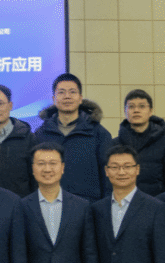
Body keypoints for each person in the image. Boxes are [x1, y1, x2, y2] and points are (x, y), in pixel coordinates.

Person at [33, 72, 111, 202]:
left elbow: (108, 175)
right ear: (54, 99)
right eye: (61, 92)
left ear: (80, 98)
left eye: (72, 92)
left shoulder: (99, 133)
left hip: (88, 206)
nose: (67, 96)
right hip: (50, 203)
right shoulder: (41, 134)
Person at [116, 89, 165, 196]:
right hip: (123, 203)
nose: (136, 110)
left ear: (150, 111)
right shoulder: (115, 145)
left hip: (158, 203)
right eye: (131, 107)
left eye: (142, 106)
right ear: (125, 112)